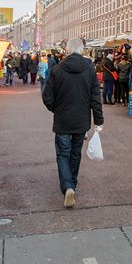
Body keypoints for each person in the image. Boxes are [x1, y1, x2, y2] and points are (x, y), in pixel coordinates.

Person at [42, 38, 104, 209]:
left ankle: (68, 186)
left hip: (62, 119)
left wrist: (56, 109)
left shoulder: (57, 69)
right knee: (75, 153)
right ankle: (72, 184)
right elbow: (95, 98)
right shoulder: (90, 70)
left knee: (63, 153)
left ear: (67, 50)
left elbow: (46, 96)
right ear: (83, 50)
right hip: (81, 120)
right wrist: (99, 121)